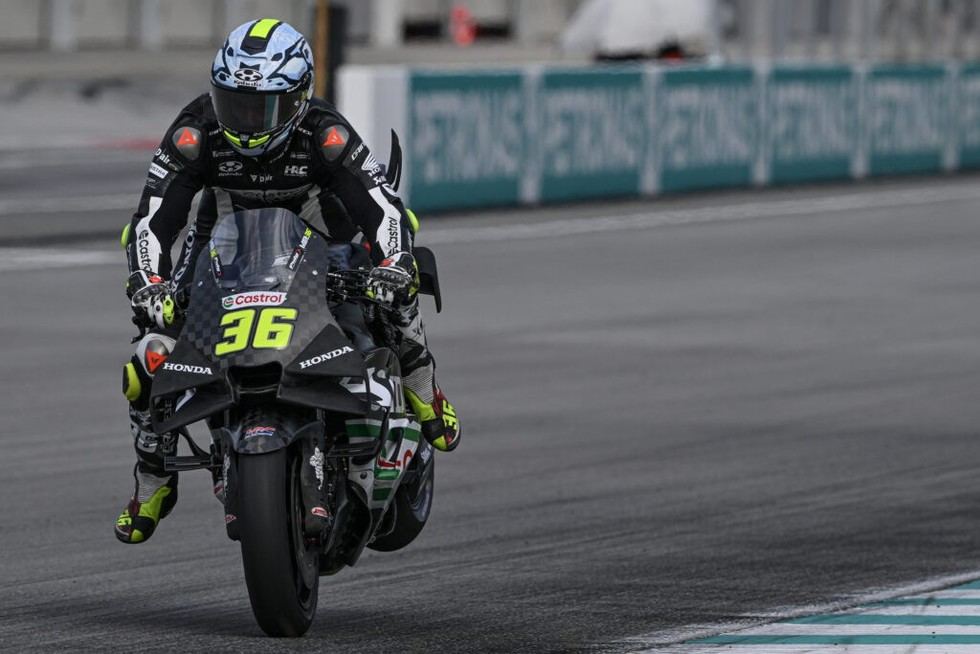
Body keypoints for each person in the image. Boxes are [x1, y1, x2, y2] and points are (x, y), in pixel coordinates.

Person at [114, 19, 460, 545]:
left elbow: (385, 208)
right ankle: (154, 476)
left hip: (325, 237)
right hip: (221, 243)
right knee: (150, 349)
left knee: (395, 285)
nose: (247, 120)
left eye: (263, 108)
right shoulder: (193, 133)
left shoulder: (327, 134)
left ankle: (419, 379)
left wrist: (392, 264)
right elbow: (151, 220)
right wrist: (150, 280)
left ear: (298, 98)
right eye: (235, 103)